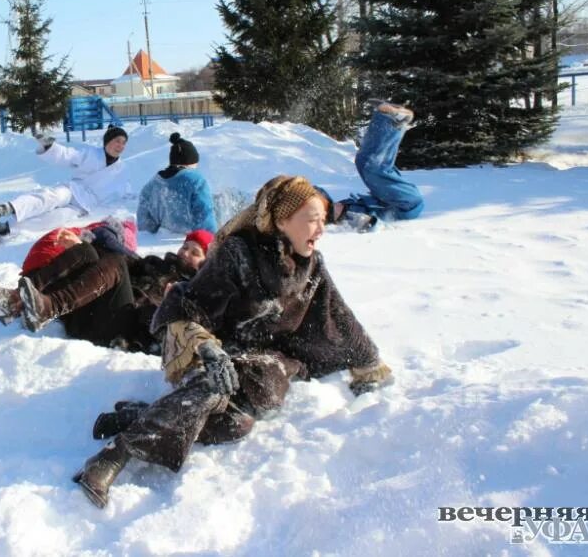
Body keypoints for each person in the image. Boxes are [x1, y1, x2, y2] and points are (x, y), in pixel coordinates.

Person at [72, 176, 393, 509]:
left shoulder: (312, 267)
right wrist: (209, 349)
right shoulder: (239, 254)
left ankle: (143, 416)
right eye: (312, 219)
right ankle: (113, 456)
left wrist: (369, 364)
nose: (320, 229)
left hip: (261, 357)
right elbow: (188, 303)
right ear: (282, 220)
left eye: (323, 220)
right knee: (215, 387)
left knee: (238, 423)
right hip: (206, 346)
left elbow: (338, 313)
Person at [0, 218, 140, 346]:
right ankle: (15, 301)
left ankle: (48, 308)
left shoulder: (132, 264)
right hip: (83, 320)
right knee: (85, 251)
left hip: (119, 331)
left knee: (117, 262)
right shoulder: (101, 255)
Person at [0, 125, 132, 238]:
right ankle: (8, 208)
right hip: (73, 190)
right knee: (51, 197)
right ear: (107, 142)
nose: (120, 146)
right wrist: (49, 146)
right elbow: (68, 155)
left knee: (54, 219)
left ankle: (5, 228)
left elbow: (125, 194)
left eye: (123, 143)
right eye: (117, 141)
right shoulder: (91, 154)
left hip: (85, 206)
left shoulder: (122, 169)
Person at [318, 100, 424, 232]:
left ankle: (392, 121)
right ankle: (389, 120)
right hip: (405, 205)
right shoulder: (349, 218)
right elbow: (372, 225)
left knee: (365, 161)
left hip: (396, 198)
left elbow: (316, 194)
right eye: (331, 209)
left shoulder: (343, 207)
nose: (336, 204)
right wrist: (366, 223)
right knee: (371, 167)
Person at [137, 133, 217, 234]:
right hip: (188, 240)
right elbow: (204, 212)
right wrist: (207, 237)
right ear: (190, 161)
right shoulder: (195, 180)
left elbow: (144, 212)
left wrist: (148, 234)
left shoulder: (154, 181)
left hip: (159, 237)